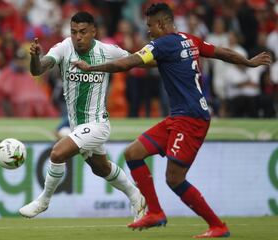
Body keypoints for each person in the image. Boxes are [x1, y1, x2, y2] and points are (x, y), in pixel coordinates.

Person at [73, 3, 272, 238]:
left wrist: (92, 67)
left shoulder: (161, 44)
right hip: (179, 116)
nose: (148, 31)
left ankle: (217, 225)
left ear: (161, 24)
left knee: (174, 179)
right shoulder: (190, 39)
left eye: (150, 26)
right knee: (133, 153)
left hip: (191, 119)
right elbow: (221, 52)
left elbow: (128, 64)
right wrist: (248, 62)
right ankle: (155, 212)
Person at [19, 12, 147, 221]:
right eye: (73, 32)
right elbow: (38, 70)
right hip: (77, 125)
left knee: (58, 153)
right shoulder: (63, 48)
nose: (77, 37)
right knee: (101, 167)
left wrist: (165, 59)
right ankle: (136, 196)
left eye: (83, 32)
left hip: (98, 124)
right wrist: (34, 57)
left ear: (93, 32)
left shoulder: (107, 51)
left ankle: (43, 201)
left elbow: (137, 60)